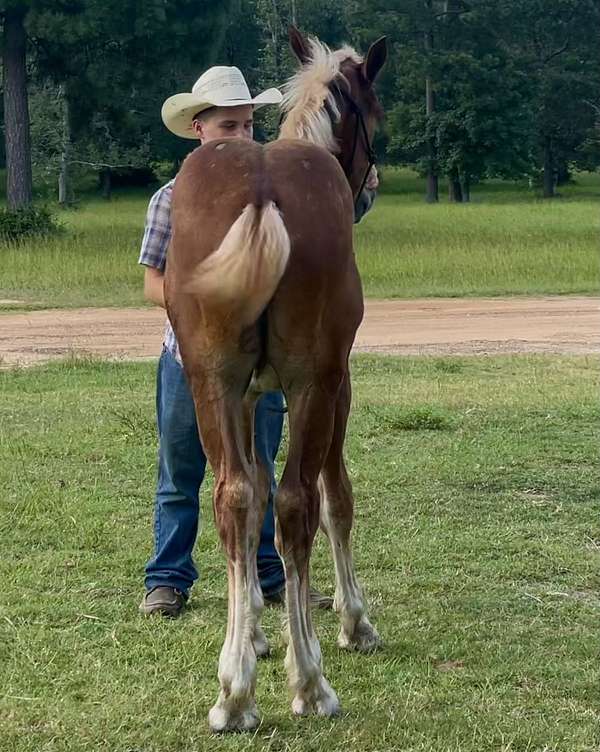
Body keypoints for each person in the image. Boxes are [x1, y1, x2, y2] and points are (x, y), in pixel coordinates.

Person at [139, 66, 372, 617]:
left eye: (246, 125)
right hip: (187, 354)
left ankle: (269, 573)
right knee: (181, 471)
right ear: (199, 129)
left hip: (262, 351)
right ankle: (167, 577)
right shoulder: (174, 197)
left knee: (262, 467)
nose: (241, 136)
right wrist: (211, 301)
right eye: (227, 126)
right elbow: (153, 281)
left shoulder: (275, 195)